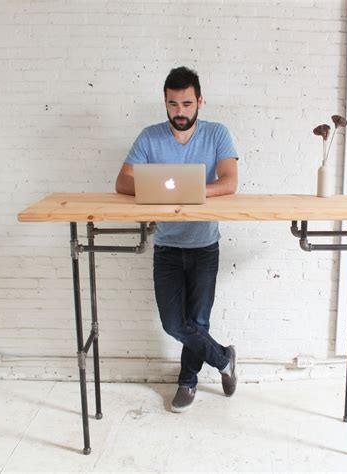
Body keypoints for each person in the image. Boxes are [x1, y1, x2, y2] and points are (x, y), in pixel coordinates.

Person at [115, 66, 239, 413]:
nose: (180, 112)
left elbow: (229, 181)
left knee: (198, 322)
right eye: (173, 104)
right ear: (165, 103)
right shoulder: (150, 137)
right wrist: (159, 192)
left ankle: (187, 381)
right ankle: (224, 358)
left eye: (186, 103)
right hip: (167, 247)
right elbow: (122, 183)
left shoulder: (217, 134)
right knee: (174, 323)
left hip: (204, 246)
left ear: (199, 101)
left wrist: (189, 193)